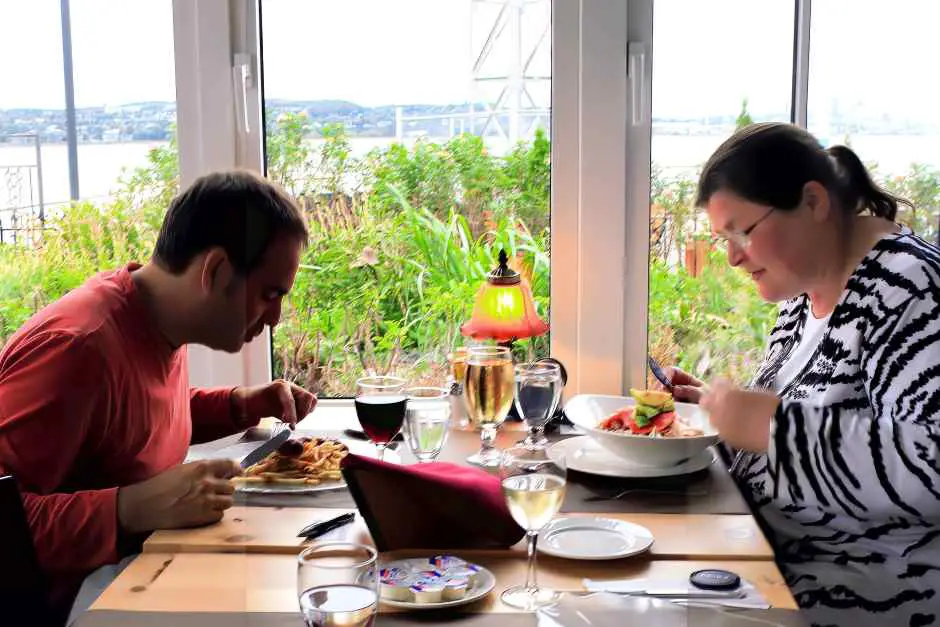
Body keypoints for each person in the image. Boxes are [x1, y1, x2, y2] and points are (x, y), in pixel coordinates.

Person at [0, 170, 317, 624]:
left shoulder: (155, 320)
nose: (276, 318)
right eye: (269, 294)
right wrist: (129, 508)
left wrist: (240, 404)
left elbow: (125, 420)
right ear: (215, 271)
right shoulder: (78, 347)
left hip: (139, 578)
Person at [666, 122, 940, 626]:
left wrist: (768, 428)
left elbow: (930, 467)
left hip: (863, 595)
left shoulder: (910, 287)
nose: (731, 257)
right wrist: (714, 411)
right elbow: (802, 418)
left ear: (813, 202)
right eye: (723, 238)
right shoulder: (803, 293)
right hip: (769, 564)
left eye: (742, 231)